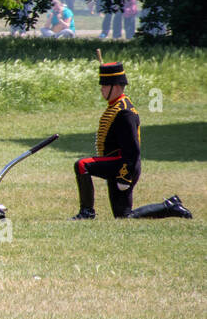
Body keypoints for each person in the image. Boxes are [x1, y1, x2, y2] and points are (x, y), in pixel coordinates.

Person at [72, 61, 191, 220]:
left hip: (122, 165)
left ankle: (86, 212)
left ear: (116, 86)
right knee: (124, 216)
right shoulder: (116, 106)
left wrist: (124, 175)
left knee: (82, 164)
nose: (102, 88)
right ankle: (170, 206)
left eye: (106, 85)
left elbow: (132, 149)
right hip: (117, 164)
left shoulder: (125, 111)